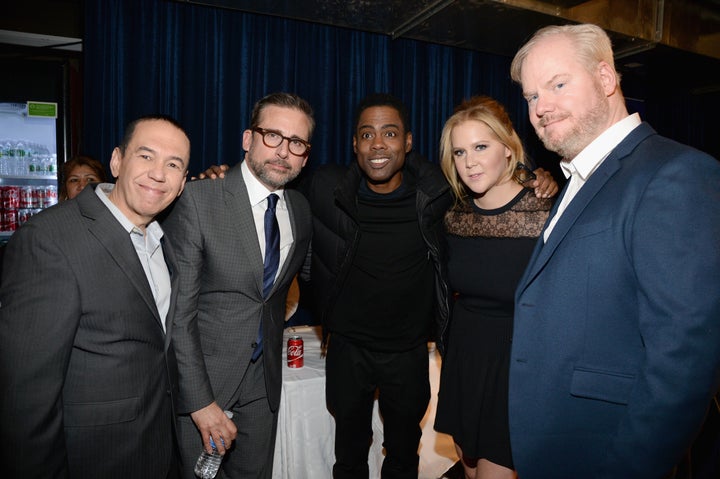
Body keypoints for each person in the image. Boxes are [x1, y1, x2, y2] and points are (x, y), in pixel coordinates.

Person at [199, 93, 556, 478]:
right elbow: (267, 193)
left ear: (408, 142)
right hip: (348, 351)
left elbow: (497, 190)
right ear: (354, 144)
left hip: (409, 352)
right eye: (367, 135)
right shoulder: (326, 189)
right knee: (349, 455)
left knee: (403, 456)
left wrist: (535, 176)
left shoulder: (437, 194)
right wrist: (223, 178)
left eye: (390, 133)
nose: (378, 144)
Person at [507, 23, 720, 479]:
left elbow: (683, 363)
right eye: (530, 97)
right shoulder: (578, 178)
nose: (541, 107)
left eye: (557, 84)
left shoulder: (675, 174)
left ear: (606, 80)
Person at [0, 114, 190, 478]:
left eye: (173, 164)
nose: (158, 173)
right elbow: (25, 401)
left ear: (182, 184)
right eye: (146, 156)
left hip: (159, 450)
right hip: (94, 460)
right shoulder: (50, 238)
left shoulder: (163, 240)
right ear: (117, 162)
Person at [161, 92, 314, 478]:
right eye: (272, 136)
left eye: (296, 143)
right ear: (248, 139)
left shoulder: (299, 210)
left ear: (306, 155)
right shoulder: (197, 200)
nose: (283, 151)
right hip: (204, 386)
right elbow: (178, 315)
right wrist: (199, 402)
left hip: (263, 388)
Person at [433, 96, 552, 479]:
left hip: (518, 370)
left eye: (481, 147)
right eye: (460, 152)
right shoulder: (453, 215)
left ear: (508, 147)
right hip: (465, 362)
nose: (469, 162)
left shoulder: (546, 212)